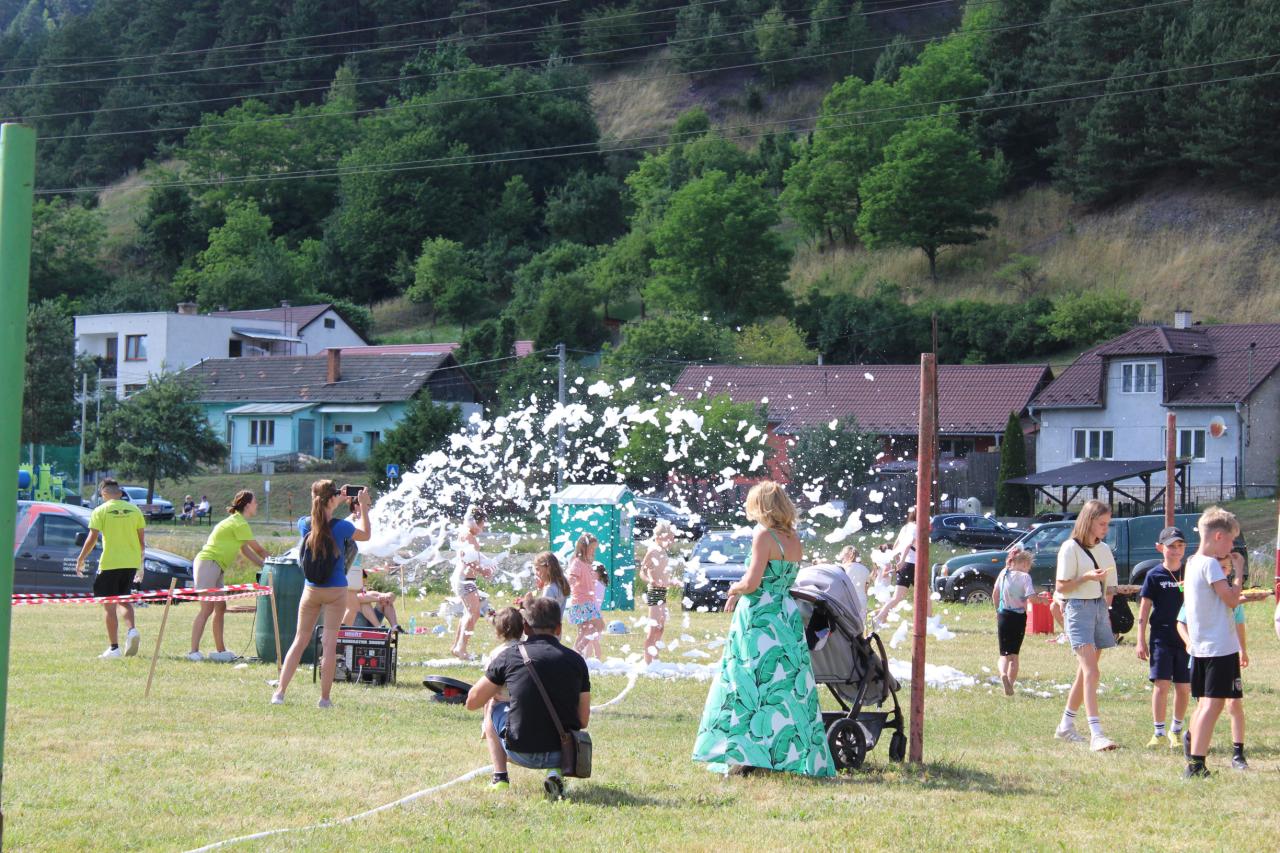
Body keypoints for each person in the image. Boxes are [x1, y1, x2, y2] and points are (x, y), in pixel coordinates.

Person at [692, 481, 834, 777]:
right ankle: (788, 755)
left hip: (759, 615)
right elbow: (785, 580)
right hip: (785, 614)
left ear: (762, 506)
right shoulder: (793, 538)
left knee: (747, 680)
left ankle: (744, 754)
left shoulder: (763, 535)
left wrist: (734, 589)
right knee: (785, 686)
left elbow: (752, 582)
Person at [466, 598, 591, 801]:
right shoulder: (576, 661)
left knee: (492, 705)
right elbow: (583, 720)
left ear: (525, 627)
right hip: (564, 752)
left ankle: (500, 777)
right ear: (559, 628)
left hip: (520, 751)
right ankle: (555, 771)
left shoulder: (509, 656)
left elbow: (472, 702)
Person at [271, 480, 372, 707]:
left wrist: (336, 498)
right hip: (336, 590)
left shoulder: (304, 524)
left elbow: (319, 515)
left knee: (299, 640)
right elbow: (365, 535)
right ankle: (324, 699)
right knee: (329, 645)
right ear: (331, 499)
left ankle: (279, 693)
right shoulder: (342, 527)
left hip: (311, 590)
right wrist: (363, 506)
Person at [1180, 508, 1243, 778]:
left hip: (1202, 646)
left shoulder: (1192, 562)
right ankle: (1196, 764)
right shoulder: (1210, 565)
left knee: (1205, 703)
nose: (1231, 547)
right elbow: (1231, 599)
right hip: (1219, 646)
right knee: (1212, 705)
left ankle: (1194, 755)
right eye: (1231, 540)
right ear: (1218, 536)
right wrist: (1238, 572)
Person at [1052, 499, 1119, 751]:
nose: (1105, 529)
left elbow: (1110, 586)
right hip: (1078, 608)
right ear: (1088, 521)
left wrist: (1106, 608)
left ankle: (1065, 725)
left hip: (1098, 607)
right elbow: (1061, 586)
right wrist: (1086, 578)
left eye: (1107, 524)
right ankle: (1096, 733)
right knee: (1091, 672)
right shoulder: (1069, 548)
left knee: (1086, 672)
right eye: (1102, 524)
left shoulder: (1104, 549)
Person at [189, 490, 269, 661]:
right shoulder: (239, 523)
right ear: (247, 505)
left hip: (216, 567)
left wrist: (265, 565)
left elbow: (245, 550)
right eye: (255, 502)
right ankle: (193, 652)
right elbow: (259, 550)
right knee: (207, 608)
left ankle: (221, 651)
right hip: (208, 563)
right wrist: (276, 562)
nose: (257, 505)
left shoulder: (238, 522)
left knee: (220, 607)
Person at [74, 479, 146, 659]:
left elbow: (92, 538)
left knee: (109, 606)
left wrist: (81, 558)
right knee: (124, 600)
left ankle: (114, 648)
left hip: (110, 563)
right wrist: (140, 565)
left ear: (103, 494)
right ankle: (132, 630)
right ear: (120, 493)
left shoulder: (100, 511)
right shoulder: (135, 510)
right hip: (130, 562)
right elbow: (142, 542)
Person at [1135, 526, 1190, 749]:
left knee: (1184, 687)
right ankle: (1158, 732)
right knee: (1162, 684)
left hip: (1187, 638)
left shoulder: (1190, 573)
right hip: (1161, 636)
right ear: (1160, 548)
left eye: (1180, 545)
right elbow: (1144, 607)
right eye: (1171, 546)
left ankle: (1175, 730)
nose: (1176, 550)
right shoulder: (1154, 575)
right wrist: (1140, 639)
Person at [477, 607, 525, 790]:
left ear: (498, 632)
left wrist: (485, 717)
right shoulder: (530, 649)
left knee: (490, 705)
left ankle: (500, 775)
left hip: (506, 704)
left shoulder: (497, 654)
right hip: (529, 701)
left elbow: (489, 687)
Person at [994, 545, 1037, 696]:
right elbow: (1031, 597)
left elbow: (995, 594)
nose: (1028, 570)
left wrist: (997, 610)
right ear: (1024, 564)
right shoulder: (1025, 577)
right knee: (1014, 656)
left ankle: (1002, 674)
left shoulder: (1003, 573)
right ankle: (1010, 686)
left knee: (1004, 654)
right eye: (1029, 566)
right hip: (1019, 618)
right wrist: (1041, 600)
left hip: (1004, 615)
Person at [873, 508, 927, 628]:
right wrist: (901, 561)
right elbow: (908, 544)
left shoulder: (905, 528)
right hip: (913, 565)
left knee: (896, 598)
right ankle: (929, 622)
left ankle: (877, 618)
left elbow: (896, 546)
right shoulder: (916, 528)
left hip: (906, 565)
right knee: (926, 596)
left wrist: (899, 561)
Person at [451, 508, 493, 660]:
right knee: (473, 613)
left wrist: (486, 564)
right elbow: (467, 560)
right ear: (475, 522)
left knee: (468, 613)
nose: (482, 528)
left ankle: (457, 646)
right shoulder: (469, 537)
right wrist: (483, 571)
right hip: (465, 580)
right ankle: (461, 648)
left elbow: (471, 557)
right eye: (482, 524)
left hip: (465, 579)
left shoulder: (465, 534)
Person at [639, 522, 676, 664]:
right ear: (660, 536)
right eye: (669, 538)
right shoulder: (653, 550)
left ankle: (655, 657)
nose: (672, 541)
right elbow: (642, 572)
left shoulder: (662, 551)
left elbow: (661, 573)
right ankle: (647, 661)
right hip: (654, 592)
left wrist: (670, 581)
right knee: (653, 628)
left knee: (660, 628)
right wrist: (650, 580)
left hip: (662, 591)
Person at [565, 534, 604, 661]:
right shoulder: (577, 562)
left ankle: (574, 655)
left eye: (594, 549)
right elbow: (572, 577)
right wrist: (567, 584)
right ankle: (578, 651)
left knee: (583, 631)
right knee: (599, 626)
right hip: (582, 601)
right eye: (591, 548)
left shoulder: (586, 563)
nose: (593, 551)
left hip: (584, 601)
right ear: (583, 547)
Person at [837, 546, 870, 627]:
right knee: (860, 627)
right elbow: (866, 589)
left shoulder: (843, 568)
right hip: (862, 600)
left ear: (846, 555)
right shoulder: (865, 569)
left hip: (848, 600)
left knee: (846, 627)